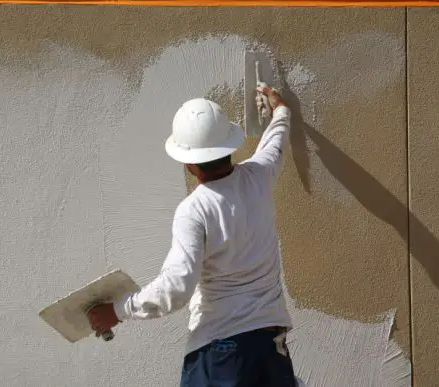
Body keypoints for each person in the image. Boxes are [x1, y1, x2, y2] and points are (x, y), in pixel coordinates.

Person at [87, 84, 297, 387]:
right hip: (271, 347)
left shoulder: (195, 209)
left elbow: (176, 288)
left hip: (221, 353)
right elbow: (274, 145)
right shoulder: (259, 177)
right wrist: (281, 109)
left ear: (188, 164)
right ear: (229, 146)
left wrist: (117, 310)